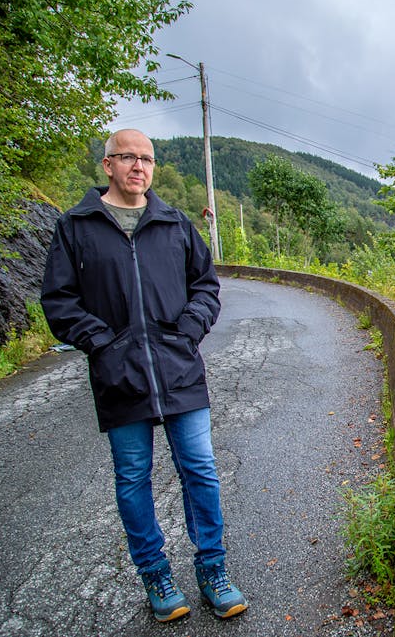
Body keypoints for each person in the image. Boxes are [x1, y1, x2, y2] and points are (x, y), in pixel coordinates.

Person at [41, 129, 247, 622]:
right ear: (107, 165)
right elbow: (59, 302)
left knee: (200, 469)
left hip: (178, 369)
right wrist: (105, 345)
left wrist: (188, 331)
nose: (139, 166)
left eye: (147, 159)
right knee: (133, 477)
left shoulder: (175, 224)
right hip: (119, 375)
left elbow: (206, 286)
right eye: (128, 157)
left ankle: (212, 569)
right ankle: (155, 574)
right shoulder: (76, 227)